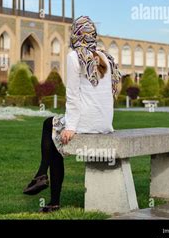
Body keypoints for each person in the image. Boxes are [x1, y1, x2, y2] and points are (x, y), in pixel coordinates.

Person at [23, 16, 121, 213]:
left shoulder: (75, 56)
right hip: (104, 123)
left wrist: (71, 127)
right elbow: (110, 94)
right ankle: (44, 182)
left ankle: (45, 182)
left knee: (48, 127)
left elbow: (73, 95)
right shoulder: (105, 57)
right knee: (52, 135)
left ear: (76, 34)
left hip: (85, 122)